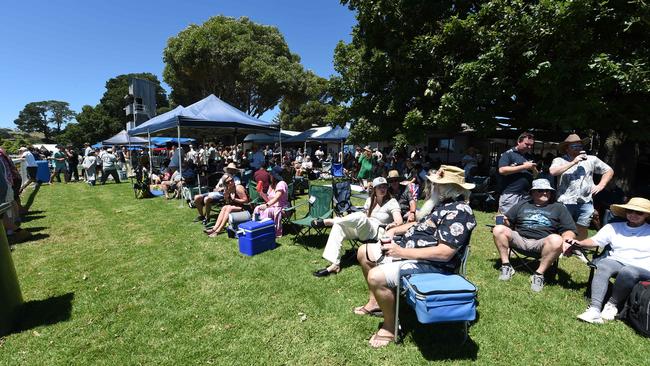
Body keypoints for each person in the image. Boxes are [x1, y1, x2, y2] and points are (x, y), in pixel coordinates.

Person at [355, 165, 476, 348]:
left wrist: (401, 252)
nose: (431, 187)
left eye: (435, 184)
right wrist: (395, 230)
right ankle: (375, 302)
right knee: (363, 251)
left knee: (376, 276)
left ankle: (390, 327)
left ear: (448, 188)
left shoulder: (459, 212)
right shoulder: (442, 205)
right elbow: (419, 226)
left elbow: (444, 253)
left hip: (434, 265)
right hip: (410, 252)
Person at [568, 197, 650, 324]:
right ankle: (594, 309)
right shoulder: (613, 227)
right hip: (617, 260)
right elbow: (595, 241)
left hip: (643, 267)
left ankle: (612, 304)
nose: (633, 215)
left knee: (628, 271)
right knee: (604, 263)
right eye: (630, 211)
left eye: (639, 212)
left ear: (647, 215)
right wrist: (579, 243)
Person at [492, 178, 576, 292]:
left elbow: (569, 229)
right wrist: (503, 220)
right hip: (520, 239)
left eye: (548, 190)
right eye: (540, 190)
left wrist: (567, 239)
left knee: (557, 239)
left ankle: (538, 274)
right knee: (498, 229)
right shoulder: (522, 204)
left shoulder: (559, 208)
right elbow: (508, 222)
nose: (545, 193)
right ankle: (506, 266)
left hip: (542, 244)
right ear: (532, 192)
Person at [312, 177, 403, 277]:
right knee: (339, 226)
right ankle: (335, 264)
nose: (383, 189)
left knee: (360, 217)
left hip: (378, 231)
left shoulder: (392, 202)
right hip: (364, 228)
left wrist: (393, 224)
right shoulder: (370, 200)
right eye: (379, 187)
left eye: (385, 186)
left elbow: (399, 221)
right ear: (374, 189)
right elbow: (365, 214)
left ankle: (330, 221)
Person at [550, 134, 614, 240]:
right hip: (565, 200)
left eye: (580, 146)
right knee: (563, 225)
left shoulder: (591, 159)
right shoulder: (559, 161)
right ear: (567, 148)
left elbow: (609, 170)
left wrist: (601, 185)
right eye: (575, 147)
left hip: (586, 200)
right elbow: (553, 172)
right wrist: (574, 162)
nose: (579, 148)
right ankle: (562, 247)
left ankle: (578, 248)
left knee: (583, 226)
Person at [497, 132, 537, 213]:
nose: (529, 147)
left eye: (531, 145)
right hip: (511, 193)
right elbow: (502, 170)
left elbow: (536, 175)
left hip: (526, 194)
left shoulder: (529, 156)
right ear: (519, 141)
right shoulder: (509, 154)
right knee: (505, 220)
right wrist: (524, 166)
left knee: (522, 221)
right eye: (527, 144)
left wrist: (533, 169)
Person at [253, 166, 289, 237]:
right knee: (257, 208)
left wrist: (266, 205)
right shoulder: (271, 185)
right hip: (272, 205)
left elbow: (276, 198)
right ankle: (257, 228)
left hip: (282, 207)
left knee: (267, 211)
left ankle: (268, 231)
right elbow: (268, 200)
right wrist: (261, 193)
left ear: (274, 176)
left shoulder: (281, 183)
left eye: (270, 174)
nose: (269, 176)